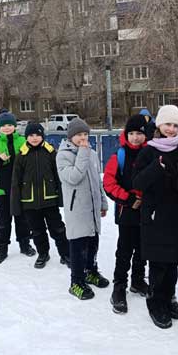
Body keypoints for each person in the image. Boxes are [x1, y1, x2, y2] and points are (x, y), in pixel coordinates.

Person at [132, 104, 178, 329]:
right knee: (158, 265)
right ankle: (156, 301)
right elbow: (137, 182)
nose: (171, 129)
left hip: (176, 215)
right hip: (155, 216)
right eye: (168, 124)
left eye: (176, 125)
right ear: (159, 125)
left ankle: (170, 296)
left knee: (173, 263)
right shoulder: (149, 151)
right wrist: (157, 167)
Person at [56, 118, 110, 300]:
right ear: (71, 137)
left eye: (85, 134)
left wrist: (102, 202)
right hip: (77, 210)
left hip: (92, 209)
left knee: (93, 243)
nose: (83, 138)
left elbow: (97, 182)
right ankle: (76, 281)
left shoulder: (91, 154)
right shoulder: (63, 155)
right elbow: (74, 177)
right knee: (78, 247)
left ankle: (91, 271)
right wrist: (83, 153)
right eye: (79, 135)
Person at [102, 114, 150, 314]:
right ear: (126, 134)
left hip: (146, 212)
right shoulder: (119, 156)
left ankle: (138, 281)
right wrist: (129, 199)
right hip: (127, 213)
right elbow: (109, 183)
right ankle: (119, 286)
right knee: (124, 252)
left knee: (142, 251)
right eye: (132, 133)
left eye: (139, 133)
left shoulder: (150, 153)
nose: (136, 137)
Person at [0, 111, 37, 264]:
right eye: (3, 125)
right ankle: (1, 249)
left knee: (23, 219)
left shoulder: (24, 141)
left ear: (15, 126)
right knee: (3, 221)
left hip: (21, 189)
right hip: (2, 190)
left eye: (10, 125)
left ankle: (25, 245)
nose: (7, 128)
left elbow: (33, 159)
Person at [10, 122, 70, 269]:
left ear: (42, 136)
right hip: (29, 202)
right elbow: (15, 182)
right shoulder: (21, 155)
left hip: (50, 200)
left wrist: (61, 198)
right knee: (37, 231)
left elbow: (58, 177)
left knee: (58, 229)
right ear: (26, 137)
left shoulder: (50, 153)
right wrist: (16, 205)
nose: (34, 138)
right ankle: (43, 253)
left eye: (37, 135)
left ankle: (66, 254)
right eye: (31, 135)